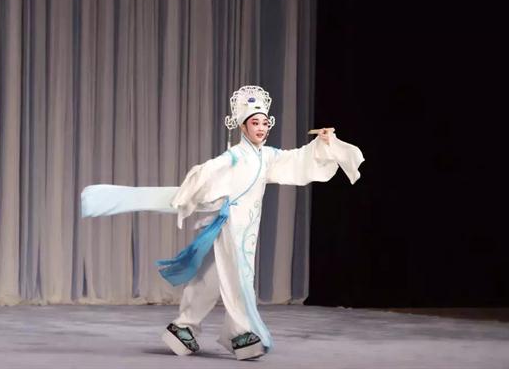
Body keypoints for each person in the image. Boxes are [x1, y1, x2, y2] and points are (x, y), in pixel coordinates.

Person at [80, 85, 364, 360]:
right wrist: (191, 193)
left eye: (265, 123)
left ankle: (183, 327)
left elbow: (297, 160)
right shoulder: (235, 156)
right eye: (255, 123)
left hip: (246, 228)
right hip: (231, 226)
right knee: (238, 275)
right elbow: (206, 173)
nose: (261, 128)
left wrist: (322, 144)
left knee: (214, 275)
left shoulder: (267, 157)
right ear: (243, 126)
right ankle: (241, 333)